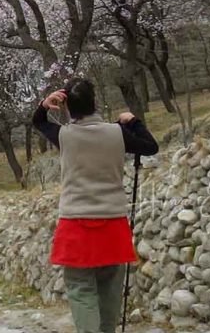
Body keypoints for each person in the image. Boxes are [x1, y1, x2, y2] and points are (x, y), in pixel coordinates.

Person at [33, 78, 159, 333]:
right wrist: (133, 121)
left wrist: (45, 105)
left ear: (67, 106)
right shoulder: (117, 133)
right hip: (113, 223)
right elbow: (150, 147)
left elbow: (39, 122)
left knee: (81, 289)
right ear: (95, 102)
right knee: (110, 290)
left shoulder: (65, 135)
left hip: (76, 225)